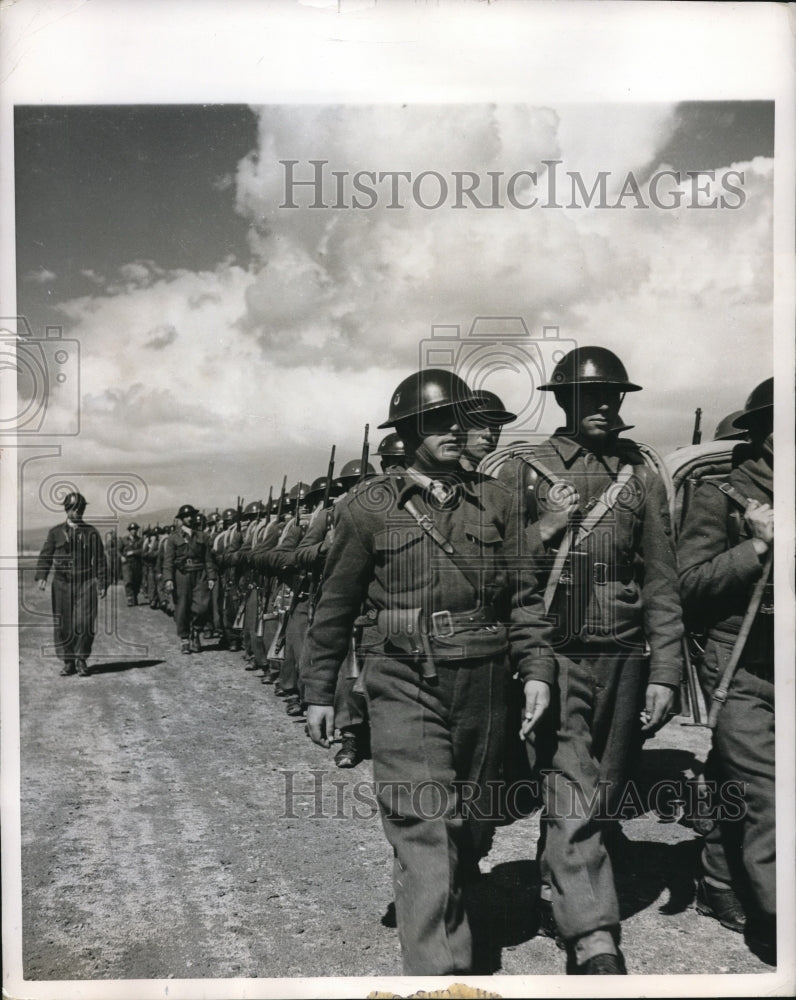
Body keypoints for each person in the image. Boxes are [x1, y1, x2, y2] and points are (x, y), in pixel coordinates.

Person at [304, 369, 554, 976]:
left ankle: (451, 892)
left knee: (472, 818)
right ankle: (439, 974)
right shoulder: (366, 508)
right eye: (438, 421)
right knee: (423, 817)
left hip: (485, 676)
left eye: (460, 420)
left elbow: (522, 597)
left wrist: (538, 668)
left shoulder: (496, 499)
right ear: (411, 431)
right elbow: (335, 604)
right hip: (403, 676)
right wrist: (320, 691)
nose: (453, 431)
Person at [498, 346, 684, 975]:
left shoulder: (641, 475)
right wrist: (544, 529)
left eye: (613, 397)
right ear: (563, 401)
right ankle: (593, 936)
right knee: (574, 782)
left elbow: (662, 580)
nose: (604, 407)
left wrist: (666, 670)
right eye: (589, 398)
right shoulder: (523, 471)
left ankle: (561, 882)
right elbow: (497, 568)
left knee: (600, 788)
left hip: (626, 654)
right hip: (556, 651)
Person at [678, 377, 775, 965]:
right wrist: (756, 549)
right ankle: (776, 913)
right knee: (771, 790)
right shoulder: (723, 495)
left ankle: (718, 881)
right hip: (742, 663)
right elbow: (689, 585)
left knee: (732, 777)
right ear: (765, 431)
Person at [35, 492, 107, 677]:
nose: (78, 512)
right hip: (62, 583)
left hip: (86, 582)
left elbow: (100, 558)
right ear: (67, 509)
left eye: (80, 508)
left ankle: (81, 659)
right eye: (74, 508)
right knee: (63, 623)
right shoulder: (55, 532)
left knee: (84, 622)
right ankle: (68, 661)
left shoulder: (91, 532)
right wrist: (42, 575)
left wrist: (102, 582)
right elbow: (46, 555)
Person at [163, 504, 218, 654]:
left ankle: (196, 631)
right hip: (182, 575)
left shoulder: (202, 536)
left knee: (201, 607)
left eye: (191, 516)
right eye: (186, 516)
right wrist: (168, 579)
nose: (189, 518)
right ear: (181, 519)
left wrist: (211, 576)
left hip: (200, 574)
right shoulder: (174, 538)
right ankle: (185, 638)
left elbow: (208, 559)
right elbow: (168, 561)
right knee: (182, 608)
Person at [459, 390, 517, 472]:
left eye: (495, 425)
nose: (488, 434)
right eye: (479, 424)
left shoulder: (499, 474)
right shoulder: (443, 478)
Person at [119, 522, 143, 606]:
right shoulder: (124, 540)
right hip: (127, 563)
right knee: (128, 580)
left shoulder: (140, 540)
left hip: (137, 563)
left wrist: (133, 552)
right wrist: (121, 556)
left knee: (136, 581)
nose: (133, 531)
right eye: (132, 530)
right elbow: (118, 550)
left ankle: (135, 596)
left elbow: (142, 550)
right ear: (129, 531)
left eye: (135, 530)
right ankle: (129, 598)